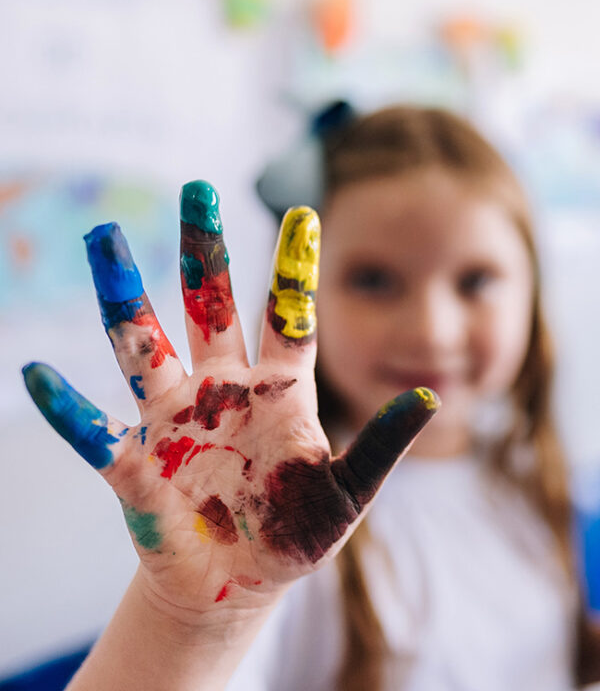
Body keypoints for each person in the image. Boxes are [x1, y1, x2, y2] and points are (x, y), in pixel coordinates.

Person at [21, 105, 600, 691]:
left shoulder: (533, 480)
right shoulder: (280, 511)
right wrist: (191, 621)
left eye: (475, 281)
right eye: (374, 280)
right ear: (306, 299)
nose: (433, 328)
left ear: (534, 290)